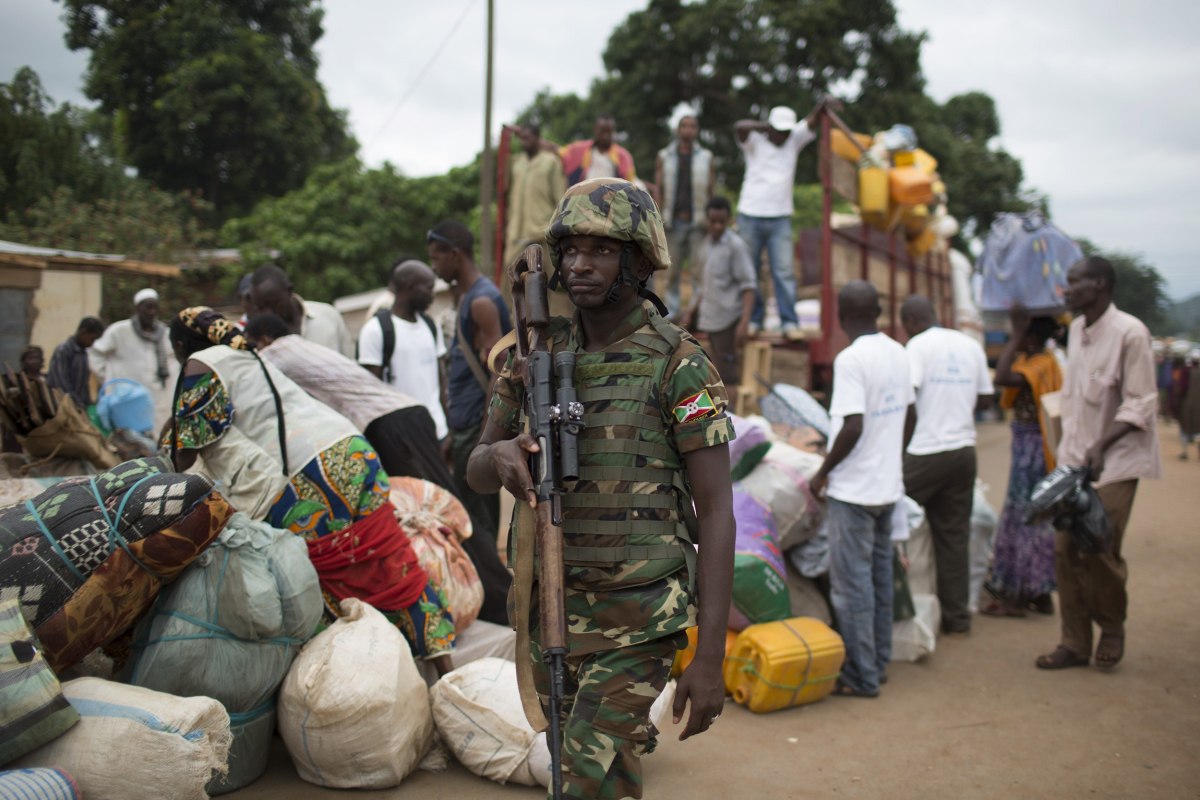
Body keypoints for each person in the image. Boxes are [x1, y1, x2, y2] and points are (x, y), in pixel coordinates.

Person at [466, 177, 734, 800]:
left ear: (639, 261)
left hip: (641, 616)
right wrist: (501, 456)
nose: (580, 265)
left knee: (580, 779)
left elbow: (716, 509)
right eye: (571, 250)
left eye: (602, 250)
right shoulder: (532, 354)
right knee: (599, 776)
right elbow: (475, 466)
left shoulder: (678, 362)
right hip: (553, 608)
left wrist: (712, 655)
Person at [165, 307, 456, 675]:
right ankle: (443, 668)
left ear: (179, 344)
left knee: (318, 575)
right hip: (352, 449)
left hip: (309, 473)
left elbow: (187, 450)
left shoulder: (199, 364)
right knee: (387, 554)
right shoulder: (248, 354)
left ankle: (357, 676)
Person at [246, 312, 513, 626]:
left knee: (435, 521)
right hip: (402, 417)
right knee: (442, 513)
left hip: (390, 424)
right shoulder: (299, 346)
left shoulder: (272, 354)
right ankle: (492, 597)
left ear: (262, 339)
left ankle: (497, 603)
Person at [1036, 256, 1160, 671]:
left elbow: (1141, 401)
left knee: (1098, 546)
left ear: (1101, 284)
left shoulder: (1131, 333)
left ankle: (1111, 627)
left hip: (1116, 463)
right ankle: (1074, 643)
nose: (1066, 290)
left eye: (1074, 282)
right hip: (1076, 462)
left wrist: (1103, 444)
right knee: (1063, 549)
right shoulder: (1076, 329)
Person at [809, 280, 916, 698]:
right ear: (879, 312)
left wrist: (822, 473)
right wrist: (892, 455)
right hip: (886, 488)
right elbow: (910, 415)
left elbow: (852, 425)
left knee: (851, 586)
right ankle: (878, 662)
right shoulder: (898, 351)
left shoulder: (851, 359)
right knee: (878, 578)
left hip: (853, 492)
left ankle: (861, 676)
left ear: (840, 314)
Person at [899, 295, 994, 634]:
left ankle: (894, 609)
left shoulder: (916, 347)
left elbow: (907, 402)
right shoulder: (970, 346)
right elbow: (985, 398)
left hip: (925, 451)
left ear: (909, 321)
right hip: (963, 451)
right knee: (954, 536)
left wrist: (899, 454)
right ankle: (957, 618)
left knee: (886, 514)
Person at [427, 220, 512, 546]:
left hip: (476, 427)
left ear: (455, 254)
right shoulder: (470, 297)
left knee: (479, 527)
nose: (435, 266)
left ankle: (492, 594)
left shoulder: (481, 301)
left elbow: (498, 369)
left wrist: (482, 437)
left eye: (437, 258)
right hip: (464, 426)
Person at [980, 312, 1063, 618]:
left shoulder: (1040, 364)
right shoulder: (1041, 361)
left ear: (1030, 337)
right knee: (1037, 518)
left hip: (1033, 449)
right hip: (1031, 445)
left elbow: (1001, 379)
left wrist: (1013, 338)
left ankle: (1016, 597)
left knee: (1024, 519)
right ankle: (1040, 593)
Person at [734, 99, 834, 338]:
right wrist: (764, 125)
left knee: (784, 271)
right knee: (751, 270)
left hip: (780, 217)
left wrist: (822, 104)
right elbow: (739, 126)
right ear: (770, 128)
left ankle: (789, 322)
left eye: (786, 132)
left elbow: (812, 120)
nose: (783, 136)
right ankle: (754, 319)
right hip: (750, 213)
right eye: (779, 131)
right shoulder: (754, 142)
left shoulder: (794, 139)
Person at [357, 258, 449, 440]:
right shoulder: (375, 330)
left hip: (437, 433)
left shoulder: (430, 326)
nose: (433, 295)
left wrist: (447, 429)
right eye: (429, 288)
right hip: (401, 438)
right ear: (410, 287)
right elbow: (369, 394)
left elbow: (440, 381)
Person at [680, 196, 756, 385]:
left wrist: (744, 322)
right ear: (707, 220)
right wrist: (690, 311)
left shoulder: (735, 246)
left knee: (727, 373)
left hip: (727, 319)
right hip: (709, 316)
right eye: (713, 221)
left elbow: (749, 286)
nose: (717, 226)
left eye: (722, 222)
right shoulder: (705, 245)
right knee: (711, 367)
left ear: (729, 220)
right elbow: (702, 285)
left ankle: (731, 412)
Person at [654, 112, 715, 315]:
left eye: (692, 126)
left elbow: (711, 189)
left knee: (699, 269)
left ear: (697, 130)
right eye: (684, 126)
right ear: (678, 130)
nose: (688, 130)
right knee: (672, 270)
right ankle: (673, 310)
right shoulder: (665, 156)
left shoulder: (706, 157)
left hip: (698, 222)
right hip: (673, 221)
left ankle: (698, 310)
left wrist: (710, 217)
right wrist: (658, 217)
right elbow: (659, 188)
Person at [89, 288, 177, 428]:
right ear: (137, 308)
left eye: (155, 308)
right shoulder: (119, 331)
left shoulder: (165, 334)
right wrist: (108, 378)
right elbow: (95, 353)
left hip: (159, 396)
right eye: (147, 307)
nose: (151, 312)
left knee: (159, 431)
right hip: (127, 397)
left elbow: (175, 359)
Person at [247, 264, 354, 357]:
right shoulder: (260, 339)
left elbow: (352, 365)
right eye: (261, 307)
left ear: (289, 291)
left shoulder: (328, 315)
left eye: (273, 304)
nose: (268, 313)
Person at [505, 122, 566, 267]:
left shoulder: (551, 162)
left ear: (538, 138)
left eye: (528, 138)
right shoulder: (517, 163)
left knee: (546, 280)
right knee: (512, 274)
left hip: (542, 231)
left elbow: (560, 197)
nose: (524, 142)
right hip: (517, 232)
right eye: (522, 138)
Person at [559, 114, 636, 186]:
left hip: (611, 197)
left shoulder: (623, 156)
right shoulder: (581, 149)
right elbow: (561, 152)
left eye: (609, 132)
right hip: (584, 196)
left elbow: (629, 183)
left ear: (613, 131)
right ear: (595, 129)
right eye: (602, 131)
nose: (605, 135)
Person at [47, 317, 106, 409]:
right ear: (84, 332)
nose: (93, 343)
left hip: (78, 405)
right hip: (61, 406)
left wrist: (87, 403)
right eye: (92, 339)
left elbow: (84, 384)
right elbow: (61, 382)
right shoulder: (64, 350)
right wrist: (75, 401)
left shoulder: (84, 354)